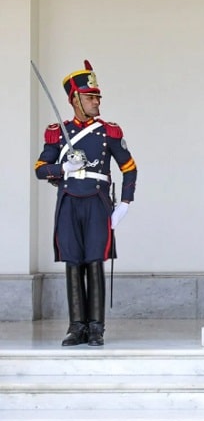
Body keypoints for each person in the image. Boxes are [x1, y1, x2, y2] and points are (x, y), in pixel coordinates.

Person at [34, 60, 137, 347]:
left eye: (97, 97)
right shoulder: (58, 131)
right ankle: (76, 326)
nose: (96, 101)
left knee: (94, 260)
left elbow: (129, 167)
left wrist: (125, 203)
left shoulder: (109, 131)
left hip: (97, 201)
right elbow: (41, 168)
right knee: (72, 261)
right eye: (90, 97)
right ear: (75, 99)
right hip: (69, 200)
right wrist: (62, 169)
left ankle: (96, 328)